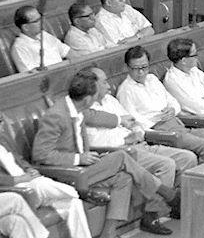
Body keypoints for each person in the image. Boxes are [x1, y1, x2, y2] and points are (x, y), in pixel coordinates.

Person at [33, 70, 180, 236]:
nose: (97, 99)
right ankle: (166, 192)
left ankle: (108, 233)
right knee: (121, 156)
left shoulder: (76, 106)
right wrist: (78, 158)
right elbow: (40, 155)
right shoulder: (55, 116)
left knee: (123, 178)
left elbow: (95, 116)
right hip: (68, 174)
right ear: (88, 99)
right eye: (96, 96)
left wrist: (120, 120)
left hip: (85, 169)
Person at [84, 67, 197, 198]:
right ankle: (161, 206)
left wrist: (137, 131)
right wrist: (124, 139)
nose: (109, 86)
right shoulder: (85, 110)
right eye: (104, 82)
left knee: (188, 158)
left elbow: (132, 121)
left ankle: (178, 203)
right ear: (92, 86)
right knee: (167, 165)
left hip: (141, 143)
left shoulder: (110, 100)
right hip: (121, 151)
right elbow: (94, 141)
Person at [116, 46, 204, 164]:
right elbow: (133, 121)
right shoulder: (126, 90)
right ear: (127, 67)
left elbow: (173, 101)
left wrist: (172, 109)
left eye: (144, 67)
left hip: (179, 124)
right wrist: (157, 121)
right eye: (135, 68)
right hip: (161, 132)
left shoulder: (152, 79)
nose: (141, 72)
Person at [0, 118, 91, 238]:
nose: (2, 126)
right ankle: (85, 194)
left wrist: (28, 169)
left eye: (1, 122)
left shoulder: (3, 140)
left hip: (28, 181)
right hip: (16, 187)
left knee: (74, 203)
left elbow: (19, 160)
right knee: (37, 186)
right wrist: (20, 179)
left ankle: (80, 196)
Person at [10, 5, 70, 72]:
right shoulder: (19, 47)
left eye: (41, 18)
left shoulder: (44, 35)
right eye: (37, 21)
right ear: (25, 27)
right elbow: (31, 75)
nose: (42, 22)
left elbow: (68, 53)